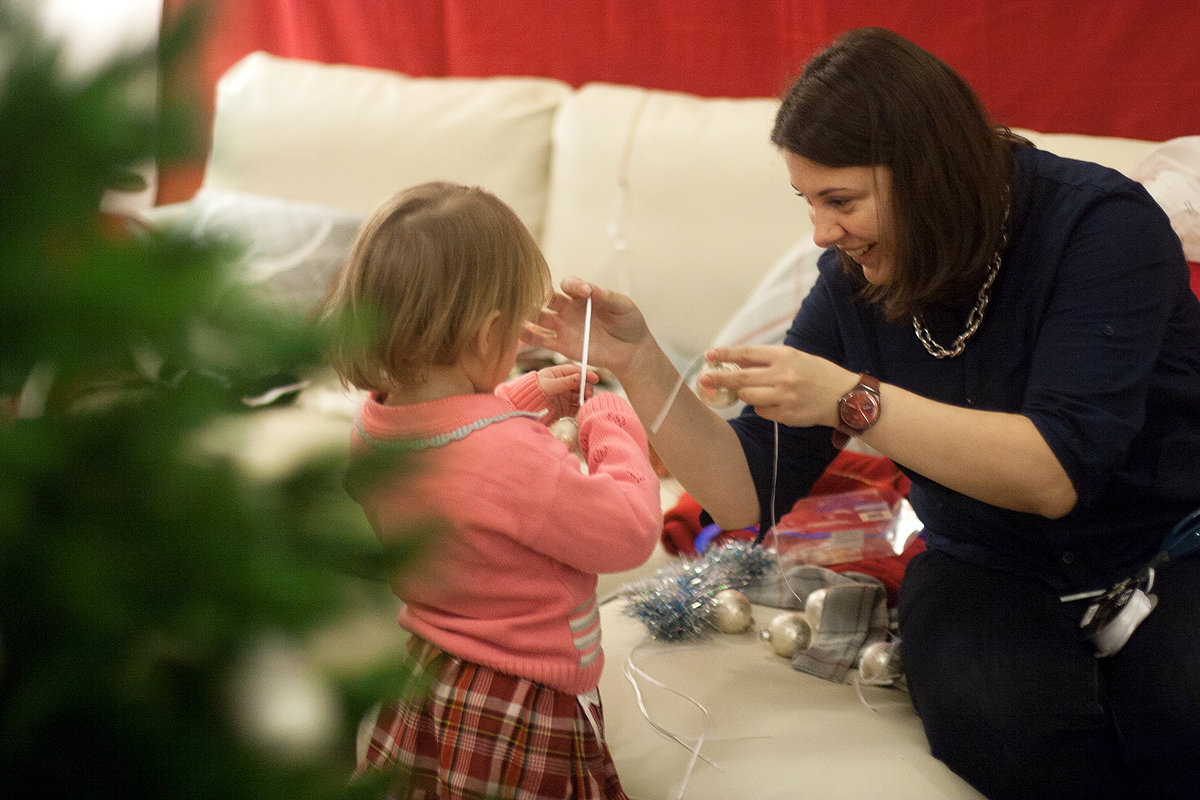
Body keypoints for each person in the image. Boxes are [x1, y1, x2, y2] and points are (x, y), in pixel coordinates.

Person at [523, 27, 1200, 800]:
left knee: (1182, 715)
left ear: (929, 174)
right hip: (987, 562)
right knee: (1000, 724)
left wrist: (853, 400)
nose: (822, 232)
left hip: (1166, 545)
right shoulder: (852, 278)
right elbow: (747, 494)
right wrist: (640, 362)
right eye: (809, 202)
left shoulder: (1100, 227)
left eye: (840, 201)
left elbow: (1054, 472)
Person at [321, 181, 661, 799]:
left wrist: (523, 397)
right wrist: (612, 424)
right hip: (521, 700)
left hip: (430, 673)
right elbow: (629, 532)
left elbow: (457, 441)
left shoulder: (376, 424)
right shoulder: (508, 456)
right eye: (518, 332)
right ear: (488, 334)